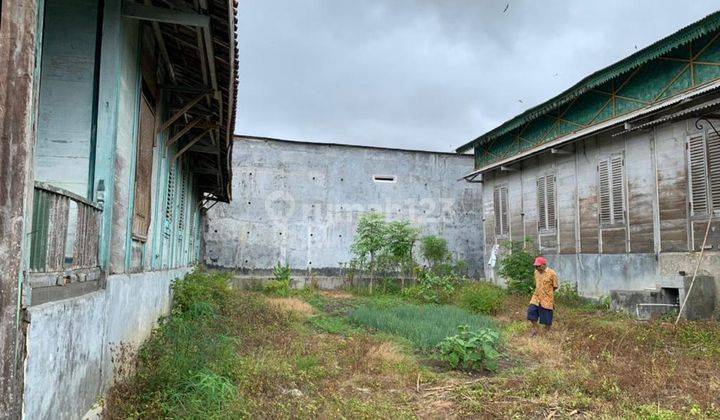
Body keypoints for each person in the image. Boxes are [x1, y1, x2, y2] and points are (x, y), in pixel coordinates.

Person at [527, 256, 558, 336]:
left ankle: (545, 333)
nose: (537, 268)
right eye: (535, 266)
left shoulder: (552, 273)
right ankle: (536, 329)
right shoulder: (536, 272)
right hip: (536, 296)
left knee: (546, 319)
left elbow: (555, 286)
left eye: (538, 266)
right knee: (531, 312)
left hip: (547, 298)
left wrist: (547, 292)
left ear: (544, 265)